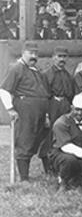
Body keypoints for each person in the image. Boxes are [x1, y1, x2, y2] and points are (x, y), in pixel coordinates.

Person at [0, 42, 50, 181]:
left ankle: (44, 171)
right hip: (25, 110)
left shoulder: (36, 70)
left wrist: (45, 114)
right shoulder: (16, 68)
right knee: (25, 140)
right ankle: (24, 177)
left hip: (39, 111)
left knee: (37, 140)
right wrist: (10, 109)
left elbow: (42, 93)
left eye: (36, 54)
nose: (34, 56)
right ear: (23, 53)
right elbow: (4, 90)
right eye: (31, 53)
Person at [49, 95, 82, 190]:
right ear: (71, 108)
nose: (80, 113)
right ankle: (63, 180)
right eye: (77, 109)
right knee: (70, 160)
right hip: (61, 154)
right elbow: (66, 146)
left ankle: (76, 179)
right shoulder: (61, 123)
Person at [38, 46, 77, 174]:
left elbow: (71, 94)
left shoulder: (68, 75)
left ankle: (62, 165)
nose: (62, 59)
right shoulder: (46, 74)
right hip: (52, 105)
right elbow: (43, 95)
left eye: (64, 57)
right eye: (59, 56)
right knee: (49, 136)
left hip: (65, 106)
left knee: (64, 133)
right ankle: (48, 168)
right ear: (53, 58)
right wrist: (46, 115)